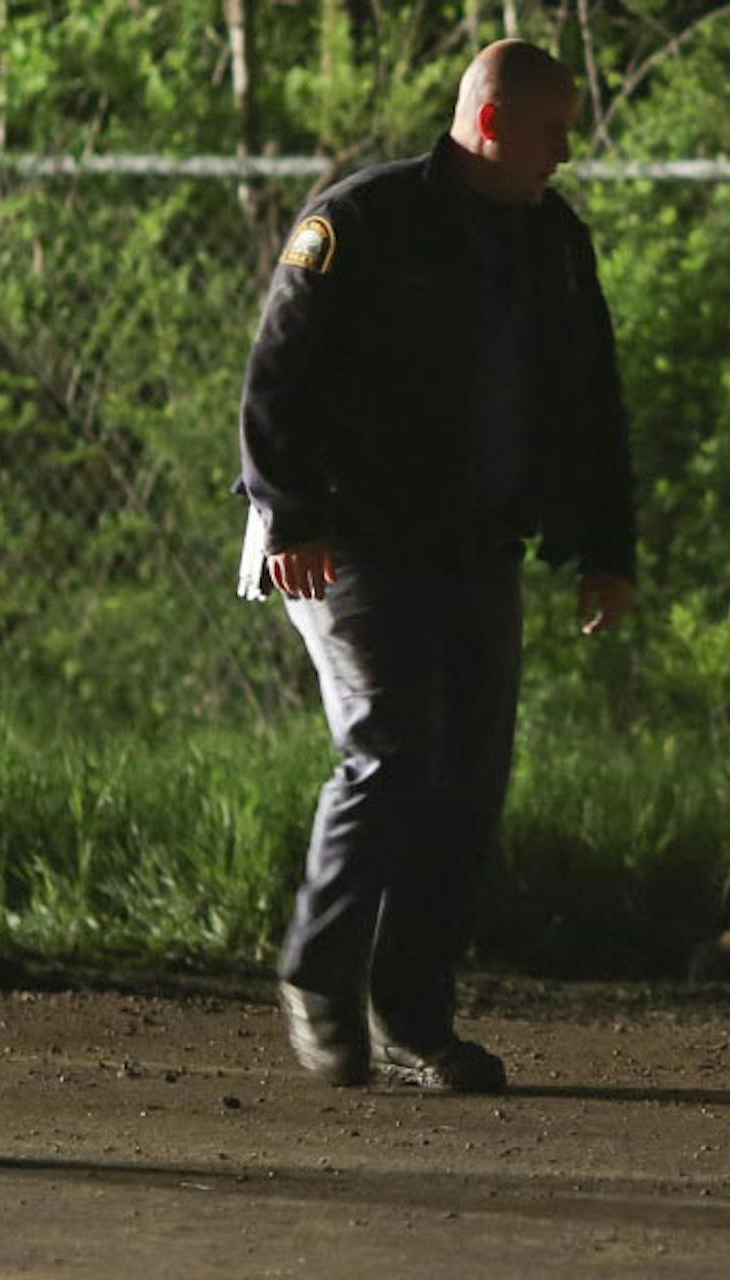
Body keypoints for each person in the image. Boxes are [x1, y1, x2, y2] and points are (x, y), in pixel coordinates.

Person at [235, 40, 636, 1092]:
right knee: (394, 742)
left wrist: (606, 546)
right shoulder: (364, 220)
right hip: (345, 534)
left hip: (473, 543)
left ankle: (413, 1014)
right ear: (494, 123)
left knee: (469, 779)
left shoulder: (551, 240)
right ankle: (319, 977)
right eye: (554, 128)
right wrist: (291, 518)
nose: (566, 148)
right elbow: (277, 375)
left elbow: (592, 394)